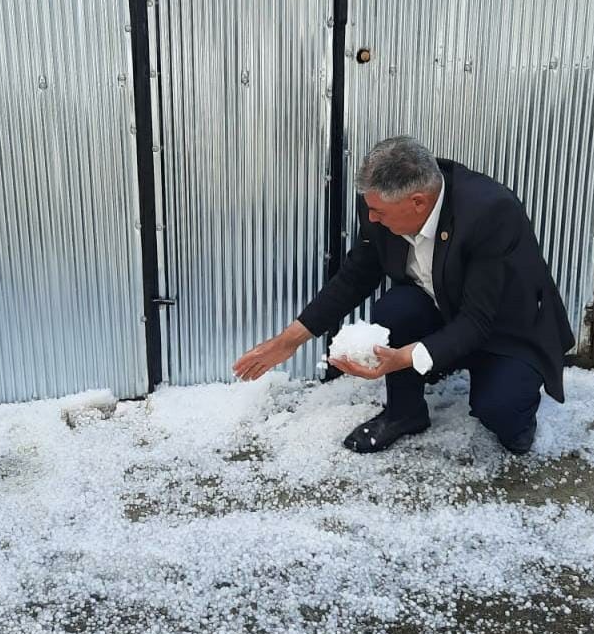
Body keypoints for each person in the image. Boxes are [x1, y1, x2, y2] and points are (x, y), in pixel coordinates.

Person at [234, 136, 575, 455]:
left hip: (504, 328)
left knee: (500, 412)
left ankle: (515, 408)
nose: (370, 218)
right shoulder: (381, 202)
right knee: (396, 309)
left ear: (418, 202)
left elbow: (477, 320)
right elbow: (356, 277)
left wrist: (404, 359)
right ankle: (404, 413)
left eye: (378, 213)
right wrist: (291, 339)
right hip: (445, 311)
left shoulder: (490, 212)